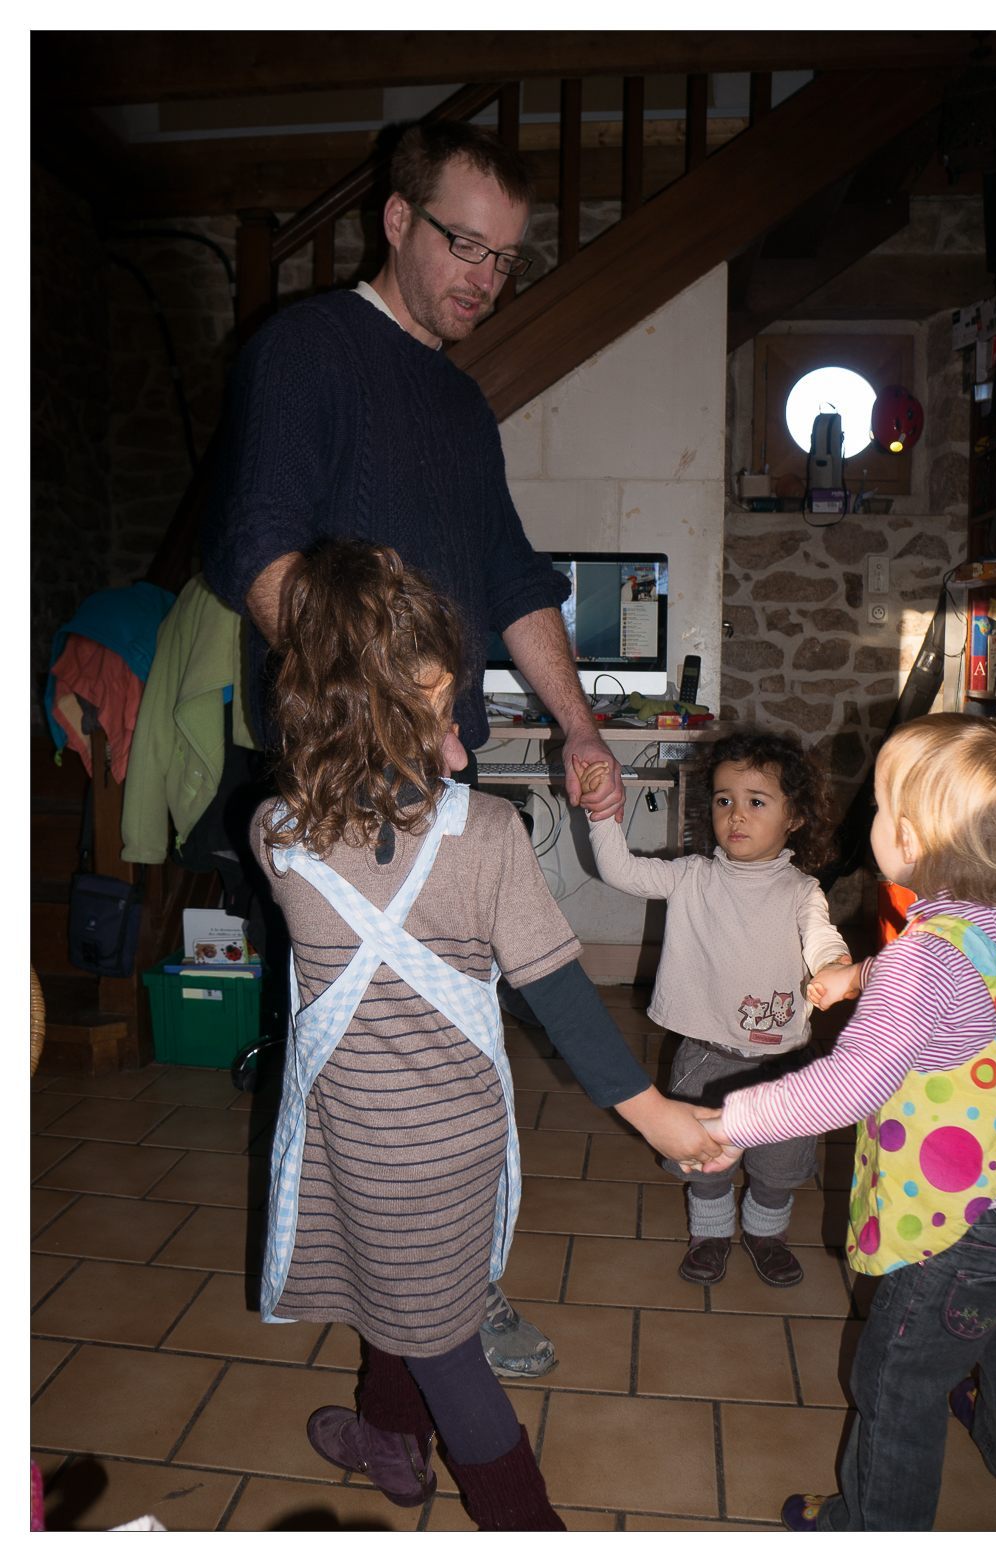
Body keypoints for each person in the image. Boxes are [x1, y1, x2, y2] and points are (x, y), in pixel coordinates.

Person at [202, 120, 629, 1373]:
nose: (485, 277)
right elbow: (261, 557)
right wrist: (387, 706)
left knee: (455, 1040)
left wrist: (579, 722)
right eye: (464, 244)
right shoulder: (306, 351)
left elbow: (510, 576)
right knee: (377, 1056)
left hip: (439, 761)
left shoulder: (459, 401)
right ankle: (414, 1308)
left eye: (505, 258)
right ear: (396, 220)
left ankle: (430, 1302)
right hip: (346, 771)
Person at [252, 541, 722, 1530]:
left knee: (427, 1319)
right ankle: (402, 1442)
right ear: (394, 711)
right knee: (430, 1316)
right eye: (438, 709)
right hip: (460, 1140)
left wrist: (411, 754)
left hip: (365, 1142)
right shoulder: (490, 835)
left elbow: (361, 826)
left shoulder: (276, 835)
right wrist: (656, 1116)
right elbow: (561, 995)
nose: (458, 733)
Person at [703, 713, 996, 1531]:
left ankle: (872, 1528)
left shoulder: (923, 957)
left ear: (908, 838)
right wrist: (858, 976)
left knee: (895, 1382)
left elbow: (848, 1085)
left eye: (879, 807)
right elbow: (951, 978)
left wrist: (732, 1119)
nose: (870, 820)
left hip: (957, 1226)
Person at [580, 729, 852, 1288]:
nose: (737, 815)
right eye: (725, 800)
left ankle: (765, 1233)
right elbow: (621, 871)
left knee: (778, 1165)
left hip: (784, 1065)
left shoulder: (801, 891)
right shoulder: (691, 876)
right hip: (706, 1057)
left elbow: (821, 936)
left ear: (795, 817)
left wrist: (834, 965)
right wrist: (600, 814)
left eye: (757, 802)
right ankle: (709, 1232)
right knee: (703, 1157)